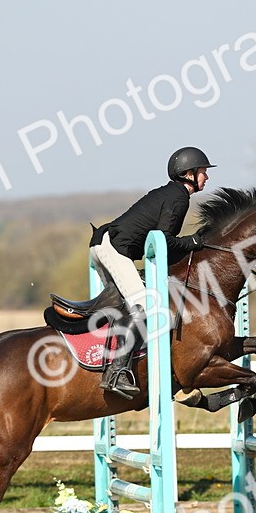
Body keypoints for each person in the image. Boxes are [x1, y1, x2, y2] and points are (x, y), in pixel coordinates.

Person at [88, 146, 214, 398]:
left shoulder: (171, 193)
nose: (206, 177)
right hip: (114, 248)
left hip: (104, 243)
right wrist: (194, 242)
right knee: (144, 304)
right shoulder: (179, 198)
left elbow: (159, 243)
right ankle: (117, 373)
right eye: (202, 171)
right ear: (188, 173)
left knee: (123, 306)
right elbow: (164, 241)